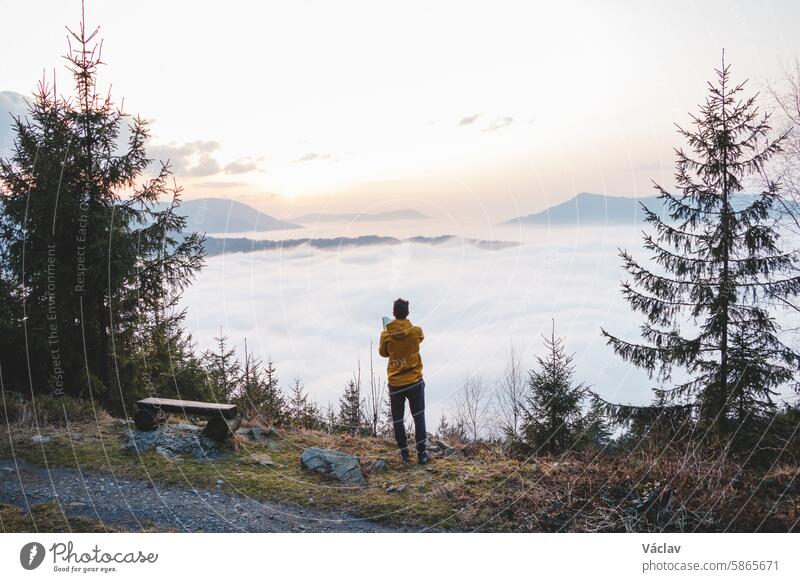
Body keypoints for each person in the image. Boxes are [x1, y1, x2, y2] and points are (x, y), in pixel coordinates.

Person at [379, 297, 429, 464]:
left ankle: (404, 454)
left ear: (394, 313)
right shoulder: (416, 331)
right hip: (414, 380)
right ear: (407, 313)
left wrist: (388, 332)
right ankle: (422, 454)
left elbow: (383, 353)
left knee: (398, 420)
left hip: (395, 383)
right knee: (419, 417)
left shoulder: (386, 335)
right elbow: (420, 339)